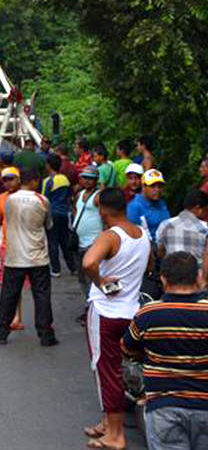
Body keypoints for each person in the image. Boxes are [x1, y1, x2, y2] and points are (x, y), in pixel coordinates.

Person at [81, 188, 151, 450]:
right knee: (118, 368)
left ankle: (116, 435)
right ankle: (108, 424)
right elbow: (151, 264)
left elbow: (88, 262)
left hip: (106, 313)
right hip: (131, 312)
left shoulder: (110, 236)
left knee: (106, 370)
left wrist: (100, 281)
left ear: (102, 210)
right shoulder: (142, 234)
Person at [121, 252, 208, 450]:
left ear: (163, 279)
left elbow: (126, 348)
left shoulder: (148, 313)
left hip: (163, 406)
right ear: (198, 277)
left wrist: (147, 356)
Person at [0, 168, 57, 347]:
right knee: (42, 296)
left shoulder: (9, 200)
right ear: (35, 181)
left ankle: (0, 332)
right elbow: (48, 224)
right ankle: (45, 334)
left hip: (14, 256)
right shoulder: (42, 200)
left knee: (8, 295)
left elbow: (3, 221)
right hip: (37, 257)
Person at [0, 167, 26, 329]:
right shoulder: (1, 198)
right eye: (5, 180)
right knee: (8, 284)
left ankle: (39, 322)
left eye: (11, 178)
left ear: (19, 179)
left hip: (26, 248)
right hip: (7, 247)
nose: (8, 182)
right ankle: (15, 317)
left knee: (26, 286)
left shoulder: (27, 198)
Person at [74, 166, 104, 325]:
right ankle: (90, 305)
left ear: (96, 180)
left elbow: (105, 217)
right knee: (82, 277)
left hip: (93, 243)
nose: (86, 180)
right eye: (84, 177)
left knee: (91, 277)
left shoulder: (98, 197)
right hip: (80, 242)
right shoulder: (79, 194)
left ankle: (94, 309)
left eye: (90, 178)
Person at [43, 154, 77, 278]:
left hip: (52, 214)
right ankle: (72, 267)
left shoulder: (48, 181)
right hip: (64, 213)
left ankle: (56, 269)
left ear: (49, 165)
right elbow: (70, 195)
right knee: (64, 241)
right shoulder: (65, 179)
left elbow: (44, 199)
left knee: (53, 242)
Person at [156, 189, 208, 267]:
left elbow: (160, 253)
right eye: (206, 210)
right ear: (198, 208)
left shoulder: (165, 225)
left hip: (170, 274)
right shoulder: (205, 228)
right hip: (195, 276)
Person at [127, 169, 171, 245]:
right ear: (143, 186)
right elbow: (131, 236)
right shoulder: (135, 207)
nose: (157, 190)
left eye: (160, 186)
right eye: (152, 186)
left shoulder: (162, 202)